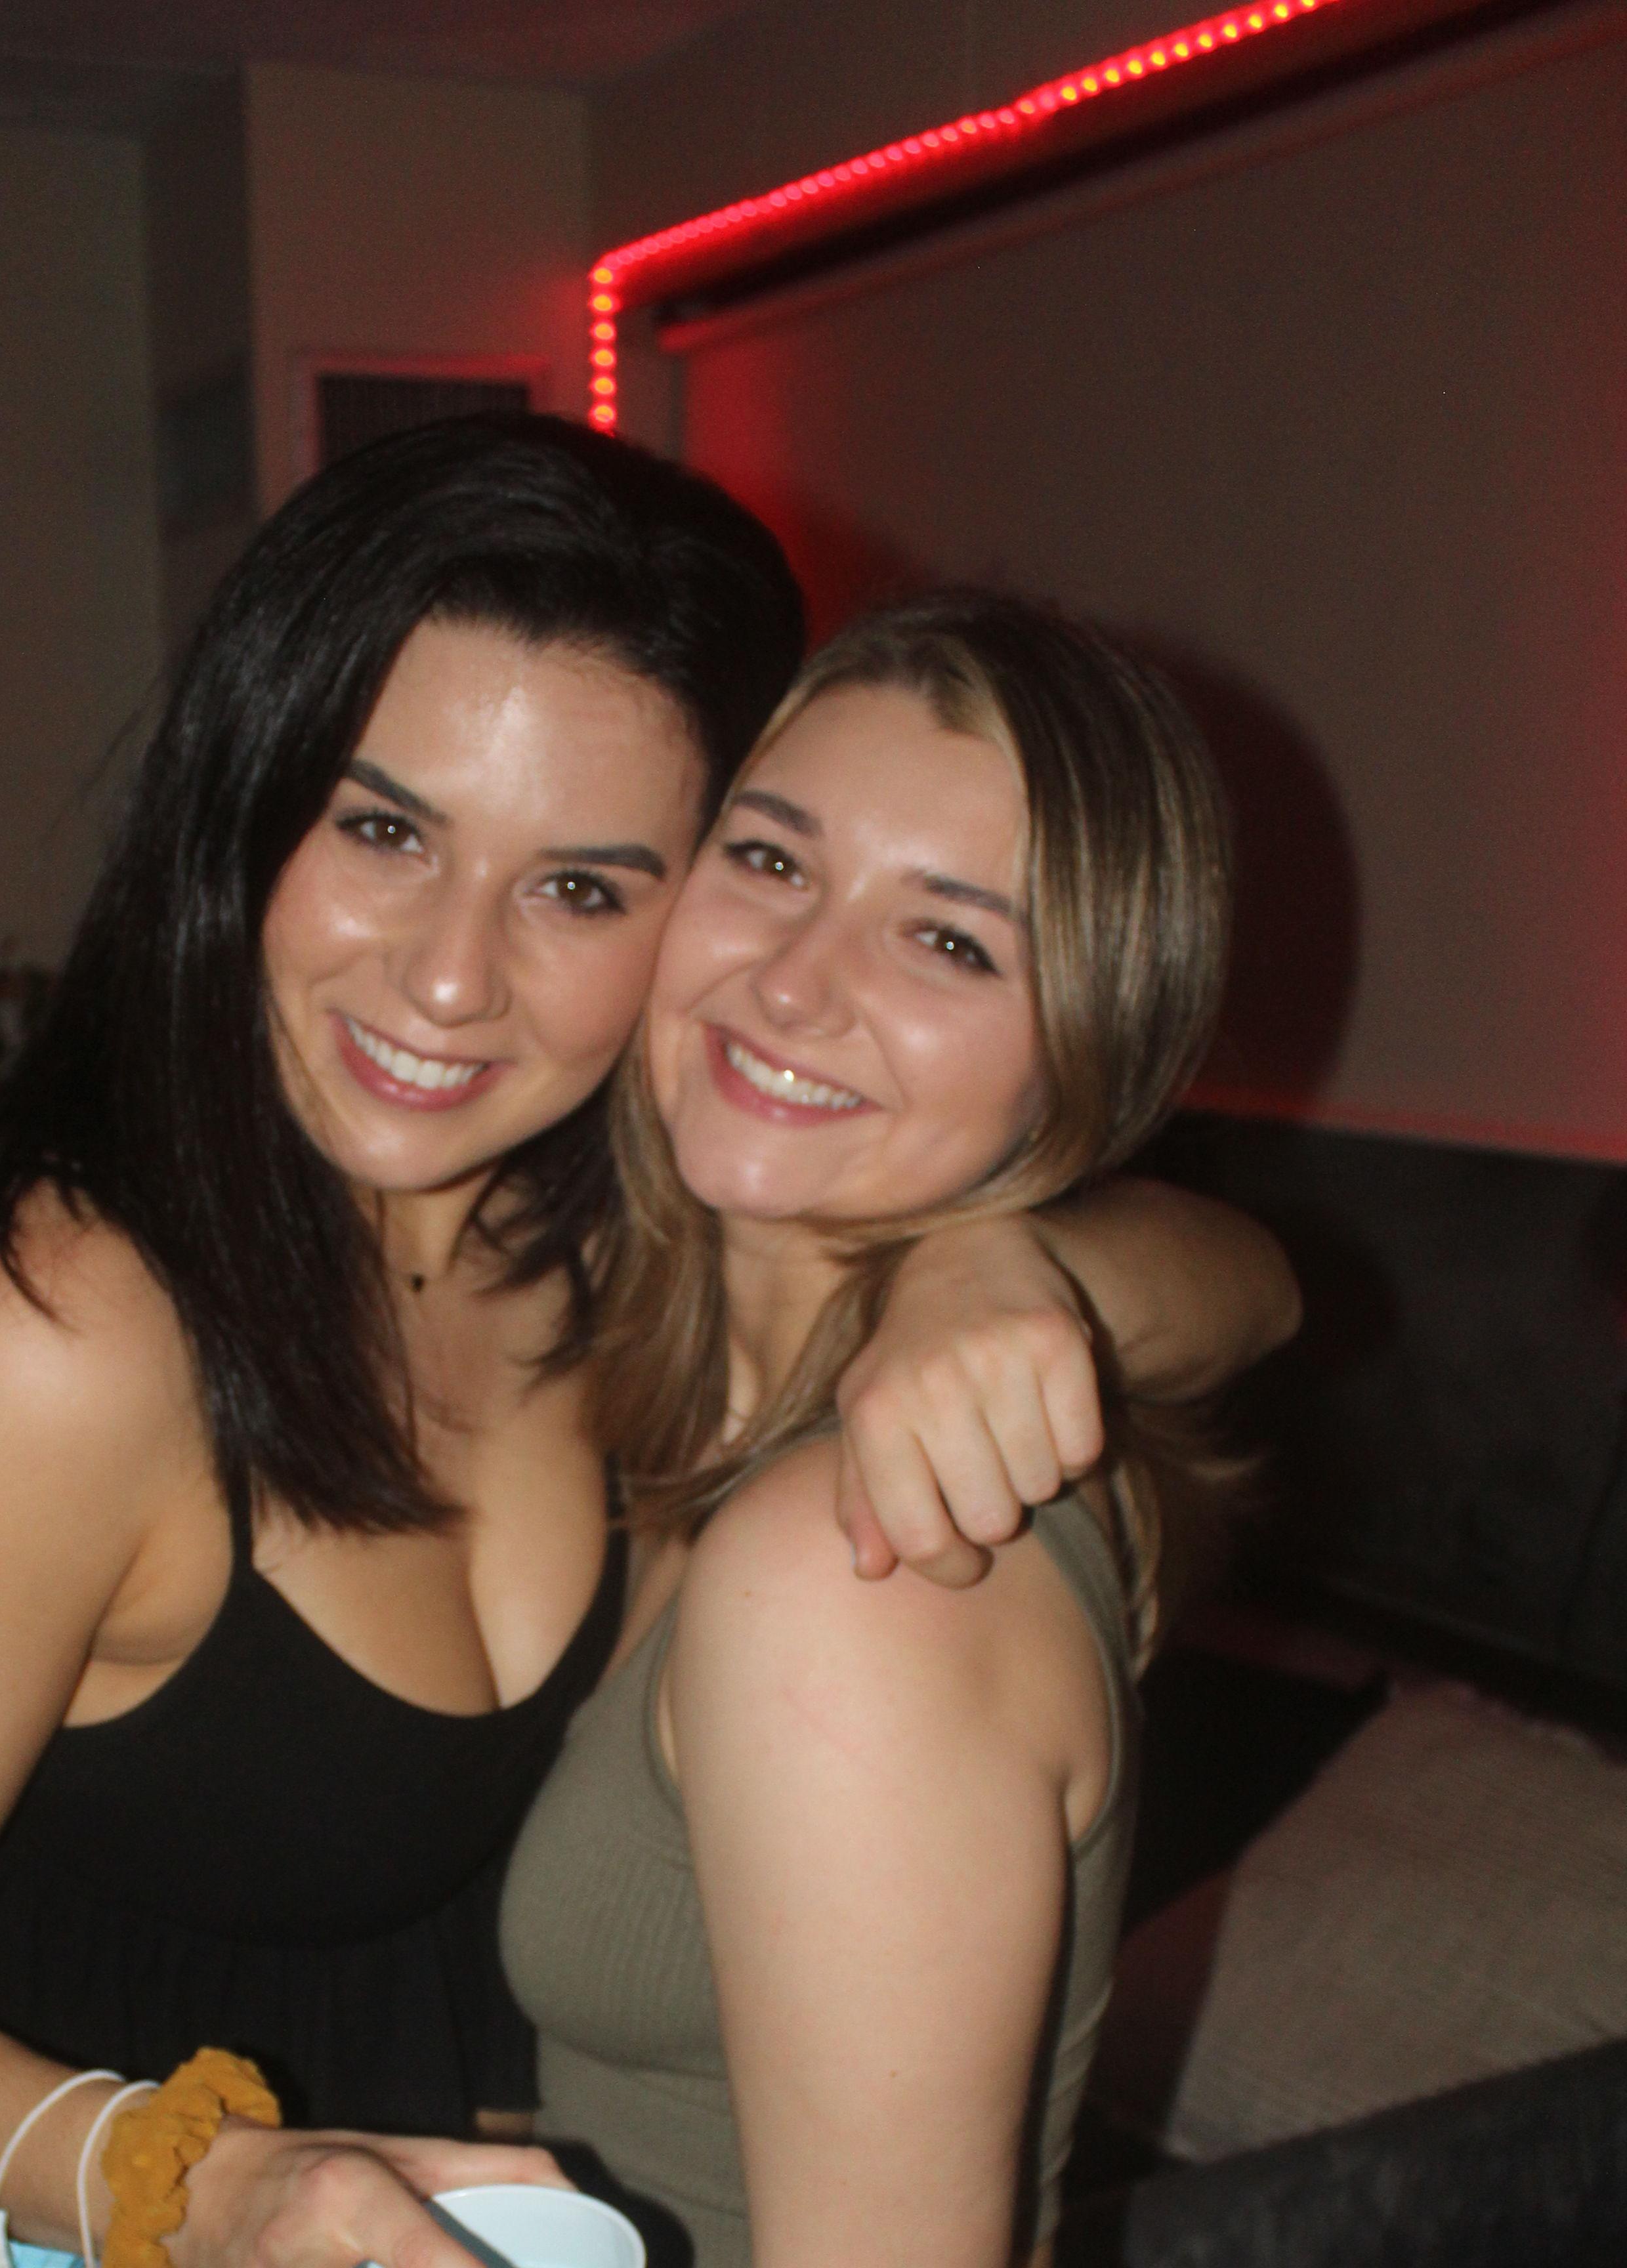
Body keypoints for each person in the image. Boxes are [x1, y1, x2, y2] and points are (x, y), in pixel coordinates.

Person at [0, 425, 1293, 2268]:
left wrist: (1013, 1266)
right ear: (248, 801)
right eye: (384, 830)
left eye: (581, 887)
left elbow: (1264, 1283)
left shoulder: (627, 1250)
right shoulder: (59, 1323)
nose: (451, 978)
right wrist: (202, 2184)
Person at [503, 590, 1250, 2268]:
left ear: (1089, 1060)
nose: (794, 981)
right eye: (773, 861)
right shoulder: (673, 1377)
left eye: (951, 942)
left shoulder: (859, 1572)